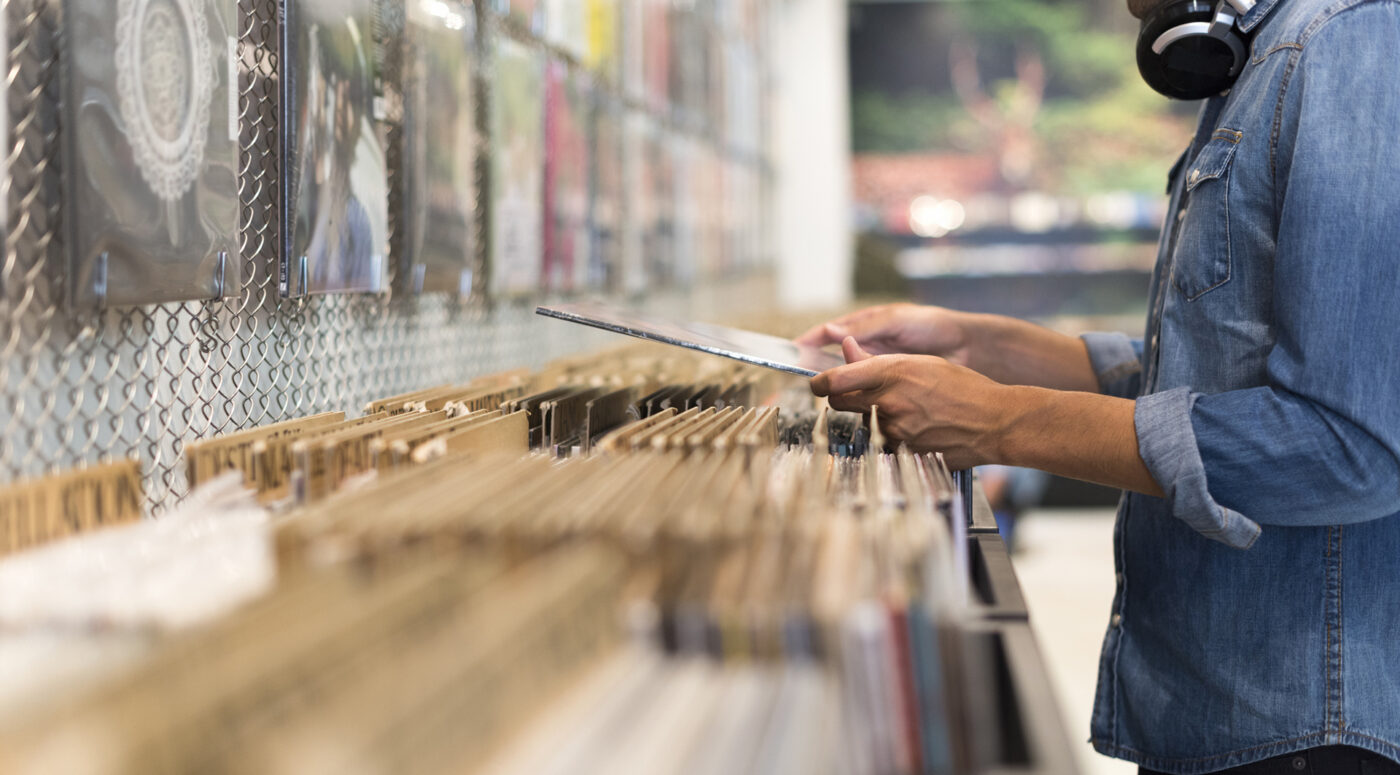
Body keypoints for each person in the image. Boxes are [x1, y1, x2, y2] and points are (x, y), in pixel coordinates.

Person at [800, 0, 1400, 772]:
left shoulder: (1346, 41)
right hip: (1225, 710)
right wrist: (980, 344)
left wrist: (1000, 422)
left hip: (1306, 730)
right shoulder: (1257, 63)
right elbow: (1201, 372)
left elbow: (1350, 445)